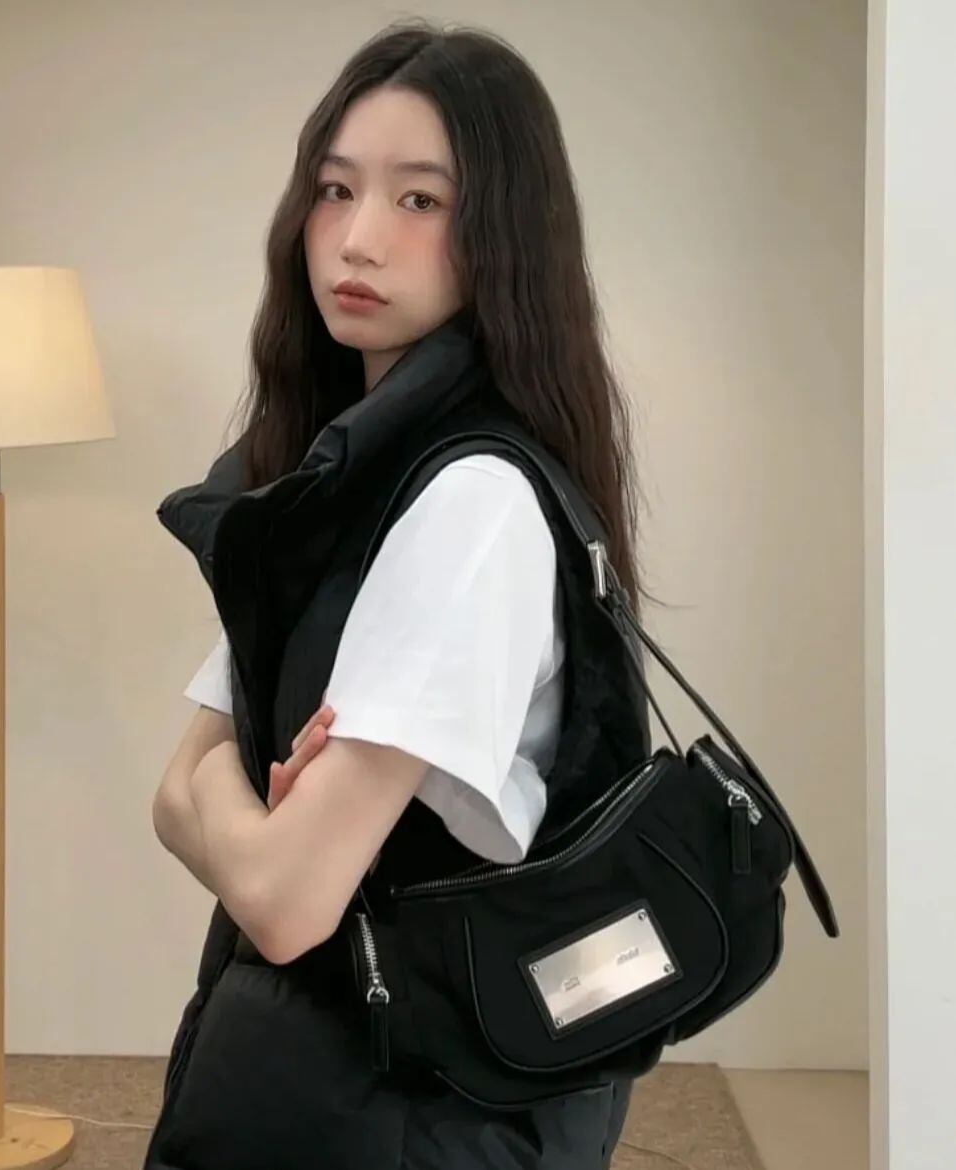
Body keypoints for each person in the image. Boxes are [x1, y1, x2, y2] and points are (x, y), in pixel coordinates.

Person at [145, 18, 653, 1170]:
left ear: (504, 233)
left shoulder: (470, 503)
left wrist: (224, 801)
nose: (358, 238)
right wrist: (239, 812)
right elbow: (171, 793)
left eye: (420, 200)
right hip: (338, 1088)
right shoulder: (355, 485)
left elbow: (281, 895)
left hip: (407, 1113)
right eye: (335, 190)